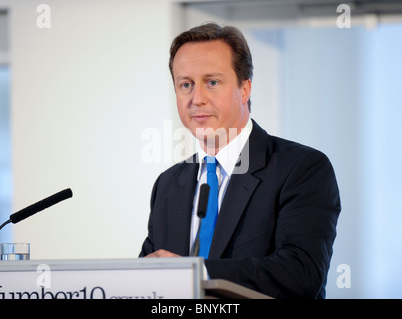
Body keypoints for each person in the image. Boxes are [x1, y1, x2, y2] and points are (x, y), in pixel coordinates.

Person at [139, 22, 341, 299]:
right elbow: (147, 278)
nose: (197, 99)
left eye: (212, 82)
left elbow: (301, 273)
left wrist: (196, 273)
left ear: (245, 90)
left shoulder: (302, 168)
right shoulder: (168, 184)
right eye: (185, 84)